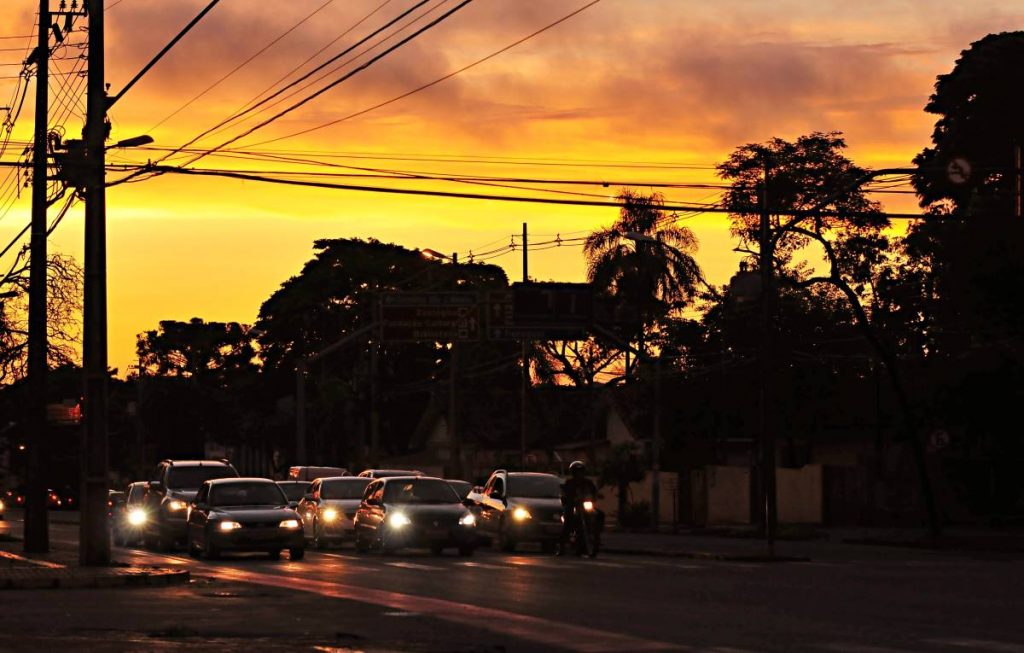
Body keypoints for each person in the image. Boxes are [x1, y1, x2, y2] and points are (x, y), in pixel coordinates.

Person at [557, 460, 603, 556]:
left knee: (600, 514)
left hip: (585, 506)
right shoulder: (569, 483)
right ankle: (561, 547)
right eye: (577, 472)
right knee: (568, 521)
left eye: (581, 471)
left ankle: (597, 534)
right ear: (573, 472)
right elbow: (564, 494)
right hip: (574, 506)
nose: (579, 474)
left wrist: (597, 495)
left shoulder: (588, 483)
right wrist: (567, 498)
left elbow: (594, 492)